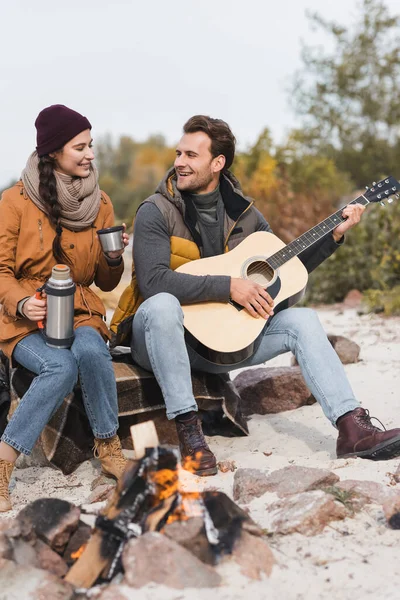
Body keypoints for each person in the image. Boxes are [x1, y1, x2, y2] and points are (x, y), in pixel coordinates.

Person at [111, 115, 400, 476]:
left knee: (302, 319)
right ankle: (190, 432)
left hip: (221, 345)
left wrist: (335, 235)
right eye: (179, 153)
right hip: (163, 339)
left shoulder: (246, 217)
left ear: (218, 163)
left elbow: (284, 269)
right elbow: (153, 281)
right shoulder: (156, 210)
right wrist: (229, 286)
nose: (179, 162)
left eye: (191, 155)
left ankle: (351, 427)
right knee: (162, 305)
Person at [0, 104, 129, 512]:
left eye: (91, 145)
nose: (90, 154)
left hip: (81, 308)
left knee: (91, 351)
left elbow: (105, 283)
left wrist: (113, 258)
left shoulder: (100, 202)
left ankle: (109, 446)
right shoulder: (14, 201)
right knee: (61, 366)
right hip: (23, 318)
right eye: (80, 147)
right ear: (54, 151)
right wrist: (21, 302)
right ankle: (3, 464)